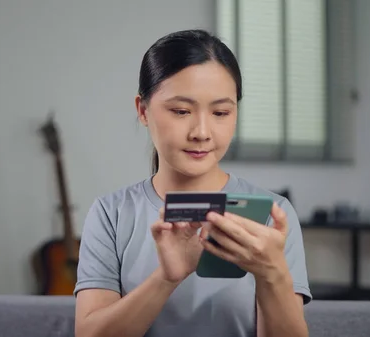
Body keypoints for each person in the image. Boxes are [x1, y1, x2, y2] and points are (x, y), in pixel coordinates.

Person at [73, 29, 311, 337]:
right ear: (143, 110)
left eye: (221, 112)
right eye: (182, 111)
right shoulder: (111, 214)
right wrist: (167, 278)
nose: (201, 132)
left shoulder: (273, 215)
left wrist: (272, 274)